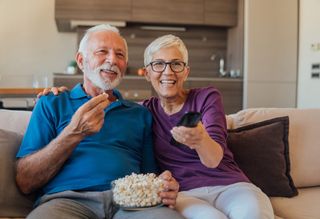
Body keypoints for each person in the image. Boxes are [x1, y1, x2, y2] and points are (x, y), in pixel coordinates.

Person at [41, 34, 275, 219]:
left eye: (176, 64)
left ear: (186, 71)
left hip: (229, 184)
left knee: (253, 212)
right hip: (185, 193)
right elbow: (97, 93)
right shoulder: (143, 112)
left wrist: (200, 139)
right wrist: (59, 93)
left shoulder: (206, 97)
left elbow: (214, 159)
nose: (167, 72)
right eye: (159, 64)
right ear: (147, 73)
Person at [15, 25, 184, 219]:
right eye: (102, 51)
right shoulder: (52, 103)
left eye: (119, 55)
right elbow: (25, 181)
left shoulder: (139, 113)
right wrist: (73, 133)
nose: (112, 60)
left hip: (131, 204)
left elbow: (150, 176)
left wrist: (164, 186)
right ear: (81, 60)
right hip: (67, 203)